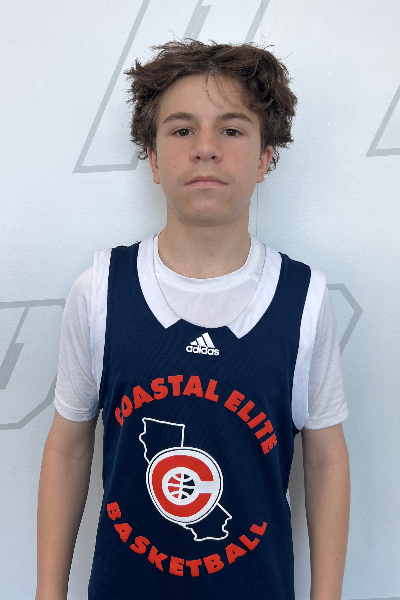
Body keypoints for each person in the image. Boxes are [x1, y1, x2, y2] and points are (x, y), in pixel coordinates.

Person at [35, 40, 350, 600]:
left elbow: (326, 460)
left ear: (265, 157)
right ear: (154, 160)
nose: (206, 148)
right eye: (182, 130)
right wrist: (46, 592)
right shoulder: (100, 289)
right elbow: (68, 447)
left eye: (231, 129)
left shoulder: (303, 297)